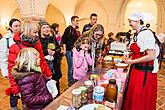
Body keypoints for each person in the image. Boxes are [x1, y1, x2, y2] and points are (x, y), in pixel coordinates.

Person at [7, 20, 52, 110]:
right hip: (27, 83)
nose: (37, 35)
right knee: (30, 104)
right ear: (27, 31)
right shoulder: (15, 47)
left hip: (39, 80)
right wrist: (15, 89)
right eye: (35, 32)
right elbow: (12, 70)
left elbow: (42, 59)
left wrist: (48, 74)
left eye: (37, 32)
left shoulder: (37, 43)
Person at [122, 12, 158, 110]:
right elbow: (139, 50)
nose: (129, 23)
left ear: (137, 21)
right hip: (137, 72)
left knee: (140, 101)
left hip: (143, 74)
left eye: (130, 21)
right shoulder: (138, 34)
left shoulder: (146, 34)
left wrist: (132, 62)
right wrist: (129, 54)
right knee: (134, 98)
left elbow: (151, 56)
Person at [0, 18, 21, 110]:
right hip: (12, 69)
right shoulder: (5, 40)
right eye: (16, 26)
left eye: (19, 26)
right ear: (10, 27)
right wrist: (5, 72)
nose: (18, 28)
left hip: (23, 68)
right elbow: (3, 57)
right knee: (14, 89)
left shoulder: (23, 37)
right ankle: (14, 107)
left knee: (25, 87)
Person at [39, 21, 62, 96]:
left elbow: (59, 49)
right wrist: (46, 52)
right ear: (40, 30)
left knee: (56, 82)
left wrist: (55, 52)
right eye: (44, 28)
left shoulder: (53, 38)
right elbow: (37, 52)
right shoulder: (38, 40)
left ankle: (57, 98)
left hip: (54, 65)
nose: (46, 29)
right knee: (46, 84)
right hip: (44, 66)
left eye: (47, 27)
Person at [62, 16, 79, 86]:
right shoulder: (68, 29)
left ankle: (73, 79)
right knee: (70, 67)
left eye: (78, 21)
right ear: (72, 21)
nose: (77, 22)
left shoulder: (75, 30)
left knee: (74, 66)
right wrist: (65, 50)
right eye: (76, 21)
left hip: (73, 51)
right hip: (69, 51)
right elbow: (63, 40)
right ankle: (70, 82)